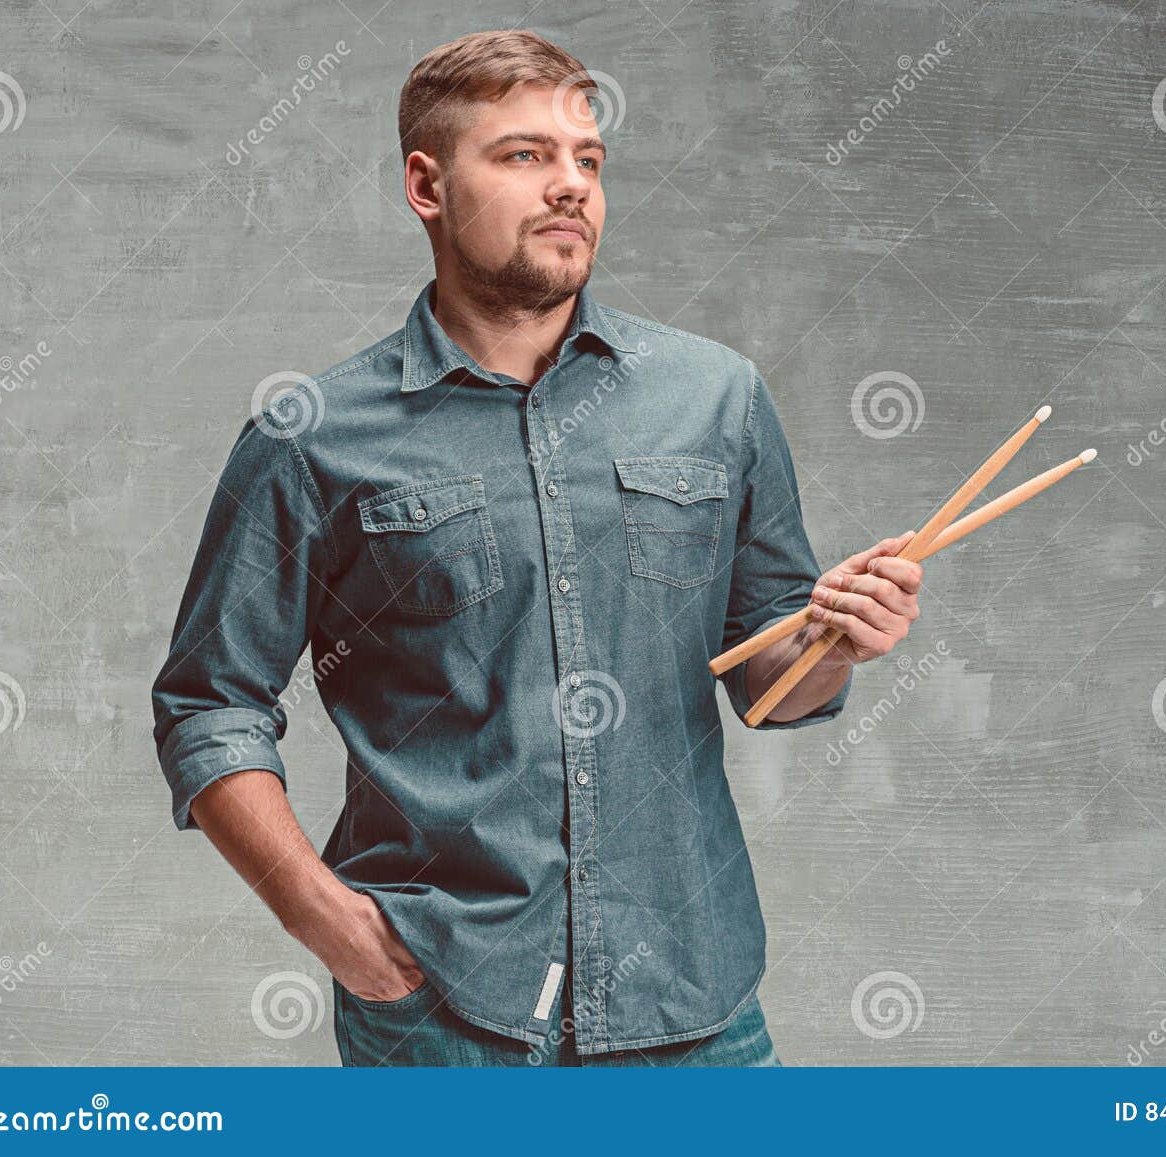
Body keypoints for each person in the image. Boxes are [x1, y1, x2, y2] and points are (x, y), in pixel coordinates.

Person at [150, 28, 924, 1067]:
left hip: (692, 1005)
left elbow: (767, 678)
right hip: (442, 1018)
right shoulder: (312, 434)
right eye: (523, 156)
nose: (570, 186)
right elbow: (209, 703)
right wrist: (317, 913)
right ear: (427, 185)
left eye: (587, 160)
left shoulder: (716, 397)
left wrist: (840, 643)